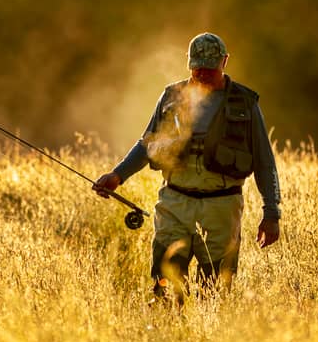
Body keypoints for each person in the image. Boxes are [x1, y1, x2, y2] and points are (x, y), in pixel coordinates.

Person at [95, 32, 281, 300]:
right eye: (197, 69)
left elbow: (265, 162)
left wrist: (271, 213)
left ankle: (208, 339)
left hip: (221, 209)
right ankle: (165, 334)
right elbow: (147, 144)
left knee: (215, 294)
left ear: (224, 62)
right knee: (165, 287)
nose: (202, 74)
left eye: (209, 69)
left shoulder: (245, 103)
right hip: (174, 203)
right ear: (189, 64)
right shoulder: (171, 97)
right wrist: (117, 176)